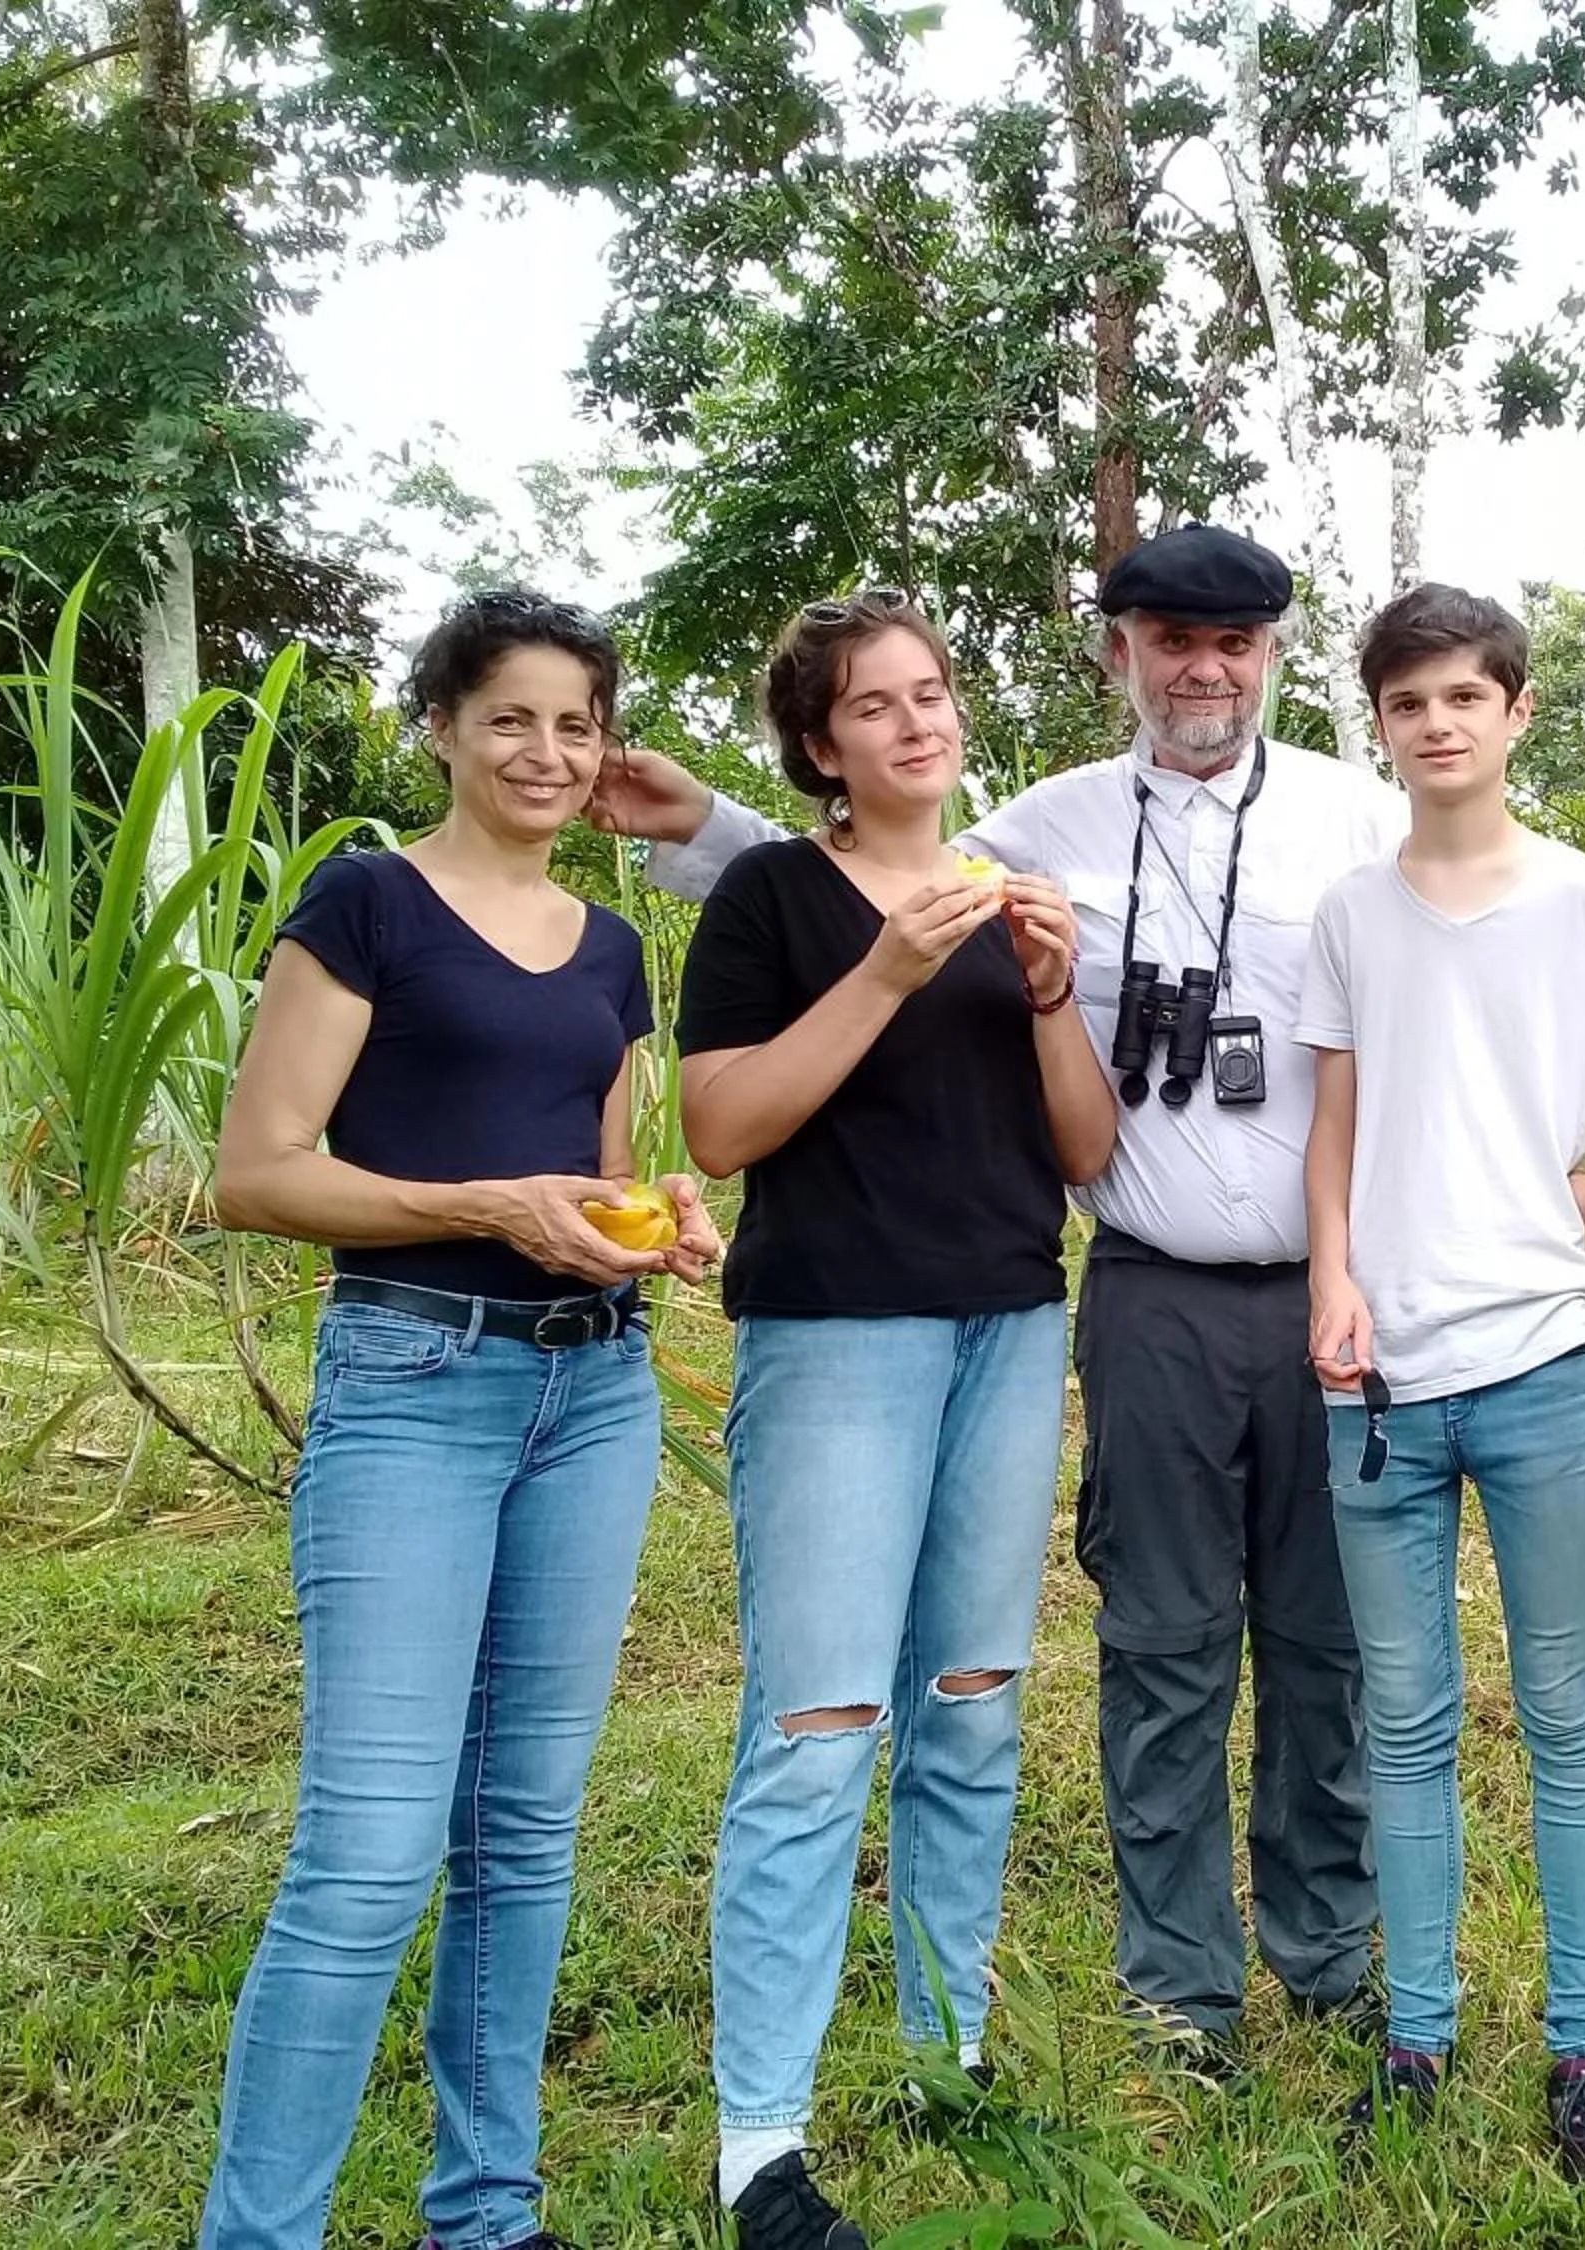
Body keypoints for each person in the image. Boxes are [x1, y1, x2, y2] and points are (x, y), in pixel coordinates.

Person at [590, 525, 1585, 2080]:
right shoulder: (1045, 826)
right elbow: (868, 869)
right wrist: (698, 825)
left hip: (1353, 1299)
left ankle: (1332, 1952)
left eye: (1236, 641)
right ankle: (1179, 1989)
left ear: (1276, 653)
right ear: (1122, 655)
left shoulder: (1366, 819)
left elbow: (1508, 1000)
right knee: (1160, 1639)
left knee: (1329, 1643)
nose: (1203, 669)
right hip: (1145, 1288)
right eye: (1167, 640)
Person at [202, 589, 720, 2250]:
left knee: (523, 1835)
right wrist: (487, 1205)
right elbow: (259, 1171)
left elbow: (612, 1169)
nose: (549, 752)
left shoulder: (615, 949)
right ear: (439, 722)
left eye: (578, 723)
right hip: (416, 1379)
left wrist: (666, 1215)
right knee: (366, 1846)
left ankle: (485, 2214)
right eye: (512, 717)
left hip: (597, 1390)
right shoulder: (368, 906)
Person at [1301, 584, 1585, 2206]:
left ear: (1516, 713)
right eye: (1407, 700)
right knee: (1405, 1716)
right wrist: (1330, 1277)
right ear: (1380, 723)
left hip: (1545, 1366)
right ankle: (1416, 2043)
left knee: (1567, 1710)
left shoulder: (1582, 901)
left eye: (1464, 697)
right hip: (1380, 1378)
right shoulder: (1353, 914)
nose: (1437, 723)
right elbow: (1336, 1118)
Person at [675, 594, 1116, 2250]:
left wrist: (1054, 992)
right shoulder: (773, 896)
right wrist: (883, 969)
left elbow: (1081, 1155)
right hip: (838, 1341)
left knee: (974, 1706)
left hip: (1009, 1326)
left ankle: (953, 2050)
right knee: (818, 1728)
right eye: (878, 706)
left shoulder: (1011, 898)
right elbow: (722, 1128)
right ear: (820, 746)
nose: (919, 723)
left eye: (934, 693)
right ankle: (760, 2145)